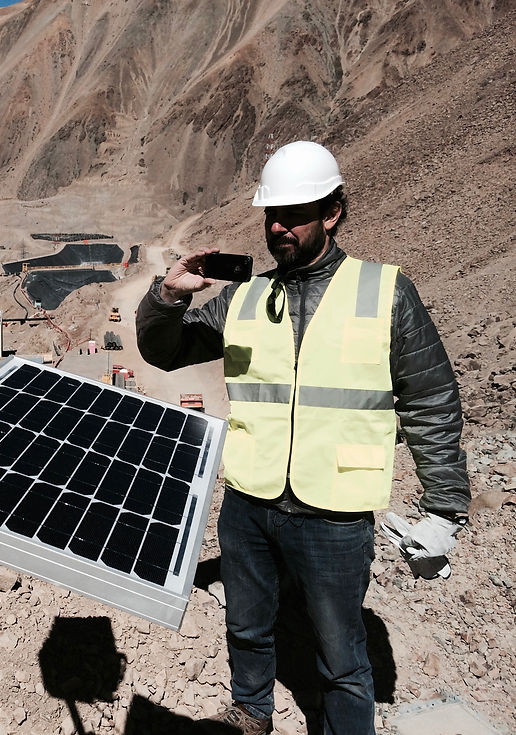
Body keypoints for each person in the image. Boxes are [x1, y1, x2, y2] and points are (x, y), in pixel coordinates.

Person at [135, 141, 470, 735]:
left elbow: (432, 399)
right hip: (250, 500)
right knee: (247, 625)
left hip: (335, 514)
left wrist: (444, 506)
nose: (279, 226)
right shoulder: (241, 297)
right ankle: (250, 712)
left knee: (342, 655)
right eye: (272, 215)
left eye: (295, 214)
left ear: (332, 213)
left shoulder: (386, 293)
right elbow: (164, 351)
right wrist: (169, 295)